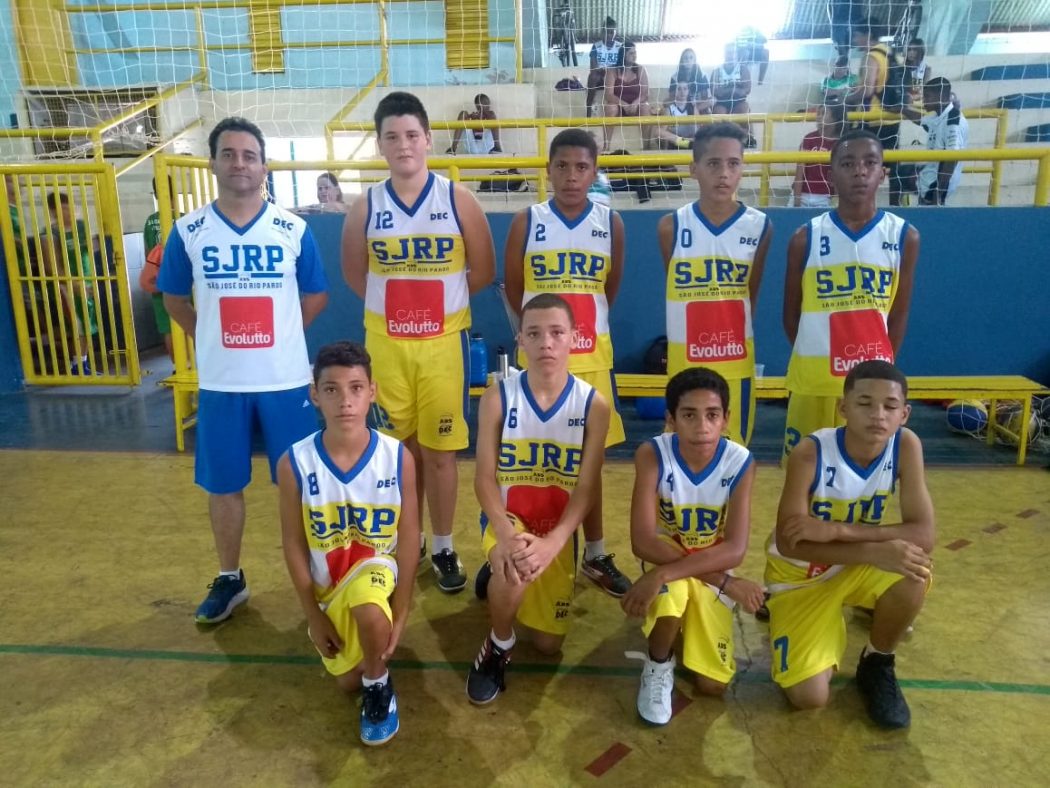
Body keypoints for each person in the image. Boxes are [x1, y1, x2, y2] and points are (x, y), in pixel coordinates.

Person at [158, 117, 330, 624]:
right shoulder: (188, 231)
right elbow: (173, 299)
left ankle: (321, 575)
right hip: (222, 383)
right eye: (229, 154)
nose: (239, 163)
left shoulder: (293, 229)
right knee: (223, 484)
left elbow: (316, 294)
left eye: (249, 155)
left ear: (264, 166)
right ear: (213, 163)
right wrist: (211, 337)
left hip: (285, 381)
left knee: (300, 483)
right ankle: (230, 577)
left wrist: (282, 334)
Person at [341, 91, 496, 594]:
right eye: (392, 136)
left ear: (428, 139)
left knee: (441, 453)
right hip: (386, 347)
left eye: (412, 135)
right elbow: (355, 274)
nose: (403, 144)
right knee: (398, 452)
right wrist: (398, 308)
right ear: (380, 145)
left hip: (443, 346)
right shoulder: (366, 206)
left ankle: (445, 544)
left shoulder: (457, 199)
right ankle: (409, 538)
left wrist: (436, 305)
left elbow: (483, 270)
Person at [765, 360, 935, 729]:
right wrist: (874, 549)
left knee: (914, 569)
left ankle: (877, 661)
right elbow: (790, 544)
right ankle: (816, 622)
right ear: (843, 407)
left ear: (904, 414)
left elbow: (924, 534)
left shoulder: (906, 445)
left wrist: (841, 531)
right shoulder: (810, 453)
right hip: (802, 576)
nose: (878, 415)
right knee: (809, 697)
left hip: (856, 561)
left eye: (890, 406)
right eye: (864, 403)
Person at [502, 128, 631, 598]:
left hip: (591, 355)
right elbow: (515, 288)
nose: (572, 176)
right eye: (562, 166)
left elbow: (608, 289)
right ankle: (518, 541)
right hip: (539, 359)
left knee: (589, 463)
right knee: (531, 457)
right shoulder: (527, 221)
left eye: (581, 167)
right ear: (549, 170)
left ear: (594, 172)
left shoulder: (610, 223)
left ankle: (594, 553)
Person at [466, 293, 610, 704]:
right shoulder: (498, 398)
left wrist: (554, 542)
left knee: (548, 645)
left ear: (575, 338)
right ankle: (499, 644)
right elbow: (483, 478)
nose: (546, 342)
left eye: (556, 332)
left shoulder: (594, 406)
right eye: (534, 333)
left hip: (555, 529)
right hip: (509, 519)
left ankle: (497, 576)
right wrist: (505, 532)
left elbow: (586, 488)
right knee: (514, 567)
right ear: (520, 341)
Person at [277, 340, 419, 746]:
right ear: (314, 394)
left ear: (372, 391)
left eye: (356, 388)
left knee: (368, 606)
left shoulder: (397, 458)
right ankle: (363, 665)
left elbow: (410, 535)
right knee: (345, 682)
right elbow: (293, 543)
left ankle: (379, 684)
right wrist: (313, 615)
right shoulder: (294, 463)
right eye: (332, 389)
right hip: (328, 589)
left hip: (377, 575)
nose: (345, 401)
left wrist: (402, 610)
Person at [621, 367, 764, 725]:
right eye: (689, 415)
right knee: (672, 593)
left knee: (713, 685)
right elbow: (643, 540)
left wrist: (665, 574)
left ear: (726, 419)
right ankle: (657, 663)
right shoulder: (652, 454)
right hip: (667, 557)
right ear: (670, 419)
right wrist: (725, 582)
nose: (702, 426)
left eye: (712, 415)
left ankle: (683, 624)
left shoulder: (740, 462)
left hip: (704, 563)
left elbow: (735, 549)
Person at [782, 129, 920, 459]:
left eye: (870, 162)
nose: (859, 171)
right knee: (804, 473)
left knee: (865, 474)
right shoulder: (805, 237)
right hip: (813, 382)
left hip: (871, 387)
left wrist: (881, 368)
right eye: (847, 163)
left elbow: (898, 313)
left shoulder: (904, 236)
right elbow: (791, 315)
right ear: (831, 175)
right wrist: (817, 351)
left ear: (883, 173)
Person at [658, 123, 772, 447]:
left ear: (742, 168)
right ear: (694, 169)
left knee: (733, 454)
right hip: (685, 361)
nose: (724, 173)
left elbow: (750, 295)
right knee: (683, 452)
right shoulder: (670, 226)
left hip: (735, 361)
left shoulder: (760, 226)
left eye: (733, 163)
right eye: (713, 163)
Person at [845, 21, 904, 205]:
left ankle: (861, 206)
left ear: (867, 35)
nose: (854, 40)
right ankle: (896, 206)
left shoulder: (871, 57)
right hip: (892, 118)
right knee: (892, 167)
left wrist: (845, 98)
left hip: (871, 120)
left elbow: (868, 90)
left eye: (857, 35)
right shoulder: (893, 54)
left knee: (860, 168)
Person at [43, 191, 99, 376]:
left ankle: (82, 363)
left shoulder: (81, 227)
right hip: (67, 286)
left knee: (89, 323)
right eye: (63, 209)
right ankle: (77, 365)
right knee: (77, 325)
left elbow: (92, 249)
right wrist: (71, 284)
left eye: (70, 208)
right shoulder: (50, 234)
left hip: (87, 281)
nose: (68, 213)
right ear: (53, 212)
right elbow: (51, 266)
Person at [894, 78, 969, 206]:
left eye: (927, 97)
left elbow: (952, 159)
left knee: (899, 176)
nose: (924, 101)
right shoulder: (939, 116)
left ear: (940, 96)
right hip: (931, 172)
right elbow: (922, 121)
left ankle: (898, 208)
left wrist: (938, 193)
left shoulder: (953, 122)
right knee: (900, 173)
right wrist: (903, 109)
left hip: (938, 183)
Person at [141, 177, 174, 362]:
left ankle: (178, 368)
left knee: (168, 327)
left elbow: (148, 254)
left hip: (159, 280)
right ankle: (192, 367)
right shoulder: (185, 218)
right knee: (189, 322)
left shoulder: (150, 221)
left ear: (155, 194)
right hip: (184, 280)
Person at [792, 102, 847, 208]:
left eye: (823, 113)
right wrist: (797, 200)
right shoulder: (809, 138)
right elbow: (799, 173)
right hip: (804, 195)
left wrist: (836, 199)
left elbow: (838, 175)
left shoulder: (840, 143)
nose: (819, 116)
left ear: (835, 118)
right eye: (818, 113)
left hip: (826, 198)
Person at [603, 41, 651, 152]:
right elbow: (608, 94)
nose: (634, 56)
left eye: (635, 53)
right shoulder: (612, 70)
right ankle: (606, 146)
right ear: (623, 55)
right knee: (610, 107)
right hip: (619, 108)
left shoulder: (641, 69)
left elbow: (646, 93)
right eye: (631, 53)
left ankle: (647, 147)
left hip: (636, 107)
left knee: (645, 107)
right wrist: (623, 104)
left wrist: (635, 103)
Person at [711, 43, 754, 146]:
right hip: (722, 102)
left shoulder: (743, 69)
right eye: (728, 52)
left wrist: (726, 89)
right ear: (724, 54)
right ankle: (720, 142)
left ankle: (748, 138)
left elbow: (747, 90)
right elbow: (714, 91)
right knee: (718, 114)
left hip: (739, 101)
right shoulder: (717, 71)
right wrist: (735, 88)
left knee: (744, 110)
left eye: (732, 52)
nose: (730, 55)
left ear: (736, 54)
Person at [653, 80, 707, 150]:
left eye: (685, 89)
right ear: (675, 92)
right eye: (679, 89)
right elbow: (660, 132)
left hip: (692, 143)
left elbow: (700, 127)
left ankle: (688, 143)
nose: (682, 92)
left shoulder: (693, 108)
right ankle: (684, 142)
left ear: (688, 91)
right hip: (676, 143)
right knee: (658, 131)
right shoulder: (669, 109)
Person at [587, 17, 624, 118]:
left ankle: (621, 110)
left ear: (616, 33)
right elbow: (593, 68)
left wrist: (611, 72)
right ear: (603, 32)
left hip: (615, 78)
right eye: (607, 32)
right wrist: (604, 71)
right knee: (593, 77)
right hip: (600, 77)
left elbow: (622, 67)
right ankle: (589, 108)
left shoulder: (620, 47)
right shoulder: (596, 46)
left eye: (612, 32)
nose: (609, 35)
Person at [904, 37, 932, 107]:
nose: (911, 53)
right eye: (909, 50)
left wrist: (913, 97)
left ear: (920, 51)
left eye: (914, 50)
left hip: (918, 102)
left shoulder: (926, 69)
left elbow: (924, 91)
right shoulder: (902, 67)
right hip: (903, 99)